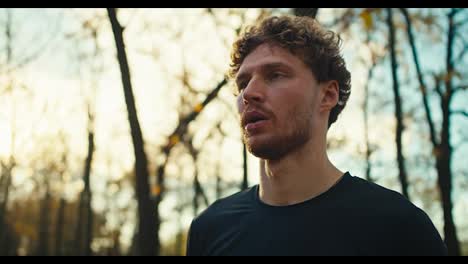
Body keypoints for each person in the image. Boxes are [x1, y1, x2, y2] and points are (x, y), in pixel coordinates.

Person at [186, 15, 448, 256]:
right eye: (243, 83)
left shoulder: (399, 228)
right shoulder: (209, 229)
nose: (249, 93)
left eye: (275, 75)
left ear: (327, 95)